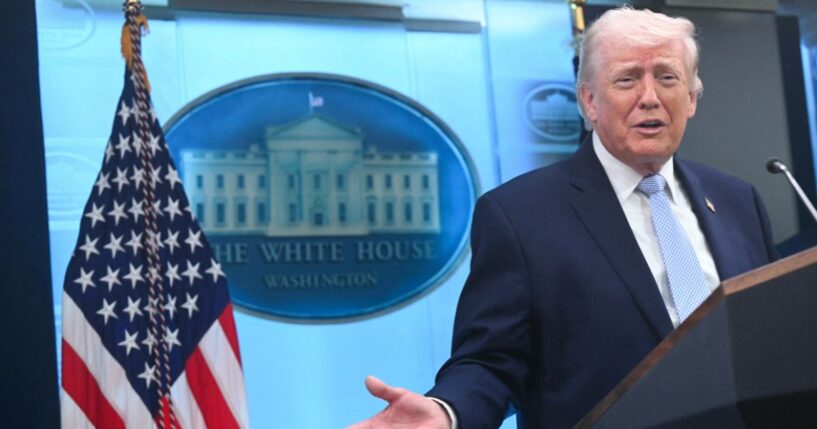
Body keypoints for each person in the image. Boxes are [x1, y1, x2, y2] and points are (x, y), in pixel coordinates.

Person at [348, 6, 778, 429]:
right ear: (589, 101)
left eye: (667, 77)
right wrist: (446, 412)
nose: (650, 97)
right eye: (627, 79)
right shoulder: (519, 216)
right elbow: (492, 360)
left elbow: (768, 335)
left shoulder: (739, 201)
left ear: (691, 98)